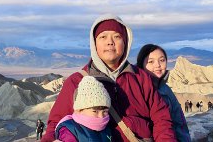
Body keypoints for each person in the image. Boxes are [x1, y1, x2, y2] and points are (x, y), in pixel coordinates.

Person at [42, 14, 177, 142]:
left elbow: (161, 119)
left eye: (117, 36)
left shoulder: (141, 78)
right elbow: (57, 124)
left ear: (125, 42)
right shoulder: (76, 82)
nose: (110, 42)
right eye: (103, 37)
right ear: (94, 43)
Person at [136, 44, 191, 142]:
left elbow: (179, 121)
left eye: (162, 60)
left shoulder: (165, 89)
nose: (158, 65)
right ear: (141, 64)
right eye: (151, 61)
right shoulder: (137, 89)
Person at [55, 76, 112, 141]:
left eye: (105, 111)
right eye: (95, 111)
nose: (101, 116)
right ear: (80, 110)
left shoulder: (106, 128)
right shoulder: (69, 130)